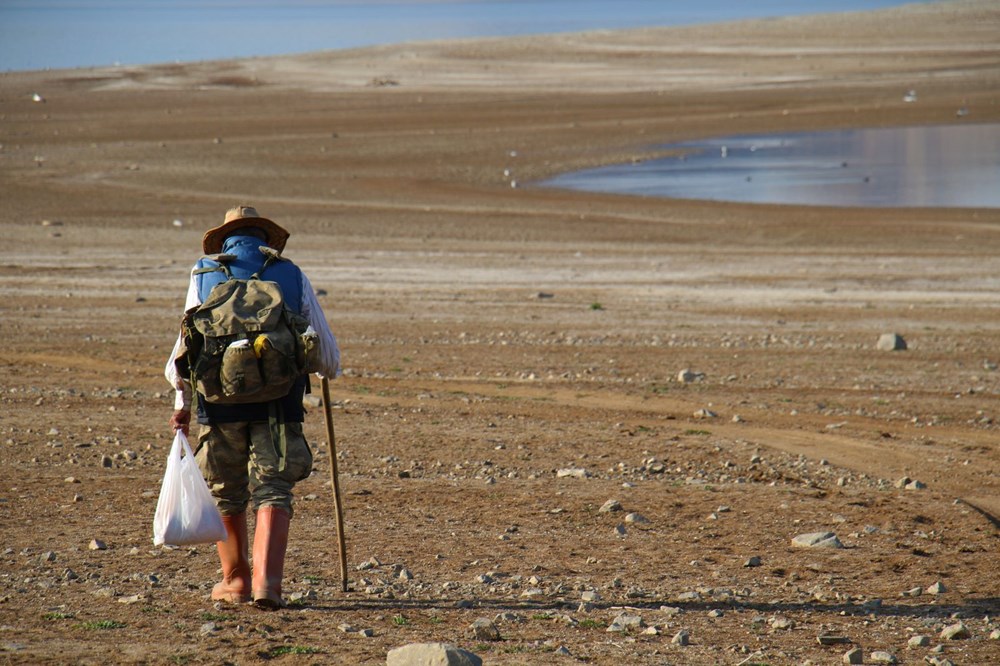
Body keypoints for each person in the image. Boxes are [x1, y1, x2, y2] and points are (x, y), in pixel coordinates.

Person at [165, 205, 340, 609]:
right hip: (279, 402)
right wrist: (325, 368)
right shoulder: (291, 274)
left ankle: (236, 580)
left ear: (225, 239)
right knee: (274, 488)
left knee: (226, 492)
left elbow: (184, 345)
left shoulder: (203, 274)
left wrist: (182, 403)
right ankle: (269, 586)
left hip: (218, 400)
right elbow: (324, 348)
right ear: (263, 237)